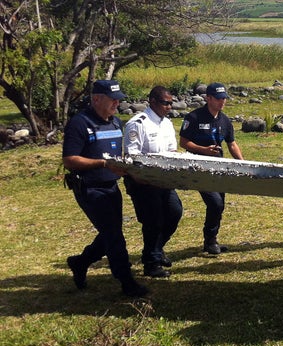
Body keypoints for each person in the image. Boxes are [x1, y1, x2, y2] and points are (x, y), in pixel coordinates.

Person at [63, 80, 149, 297]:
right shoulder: (79, 124)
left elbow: (116, 156)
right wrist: (102, 164)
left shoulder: (116, 123)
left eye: (118, 99)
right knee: (114, 235)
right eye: (112, 99)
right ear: (96, 99)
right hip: (90, 188)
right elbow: (70, 160)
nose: (117, 103)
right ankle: (126, 281)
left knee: (110, 233)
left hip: (111, 187)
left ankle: (80, 262)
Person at [123, 86, 183, 278]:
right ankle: (151, 263)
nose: (169, 107)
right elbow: (132, 157)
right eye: (166, 103)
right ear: (153, 102)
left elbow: (172, 151)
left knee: (174, 212)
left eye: (171, 103)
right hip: (144, 182)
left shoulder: (166, 124)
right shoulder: (138, 124)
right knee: (153, 221)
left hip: (164, 181)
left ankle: (156, 250)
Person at [179, 82, 244, 255]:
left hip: (219, 168)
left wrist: (243, 163)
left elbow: (232, 144)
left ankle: (211, 240)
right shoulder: (194, 117)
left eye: (224, 99)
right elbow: (183, 142)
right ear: (208, 98)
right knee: (214, 203)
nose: (222, 102)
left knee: (220, 204)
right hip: (199, 168)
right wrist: (203, 150)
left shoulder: (224, 120)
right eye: (218, 98)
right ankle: (210, 240)